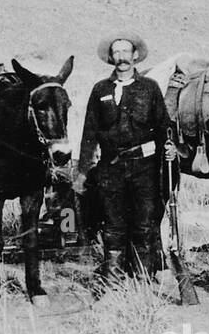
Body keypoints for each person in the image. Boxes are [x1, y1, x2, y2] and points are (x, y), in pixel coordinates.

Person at [75, 34, 178, 287]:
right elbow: (89, 133)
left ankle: (142, 280)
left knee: (145, 224)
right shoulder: (100, 89)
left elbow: (164, 126)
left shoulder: (150, 87)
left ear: (135, 56)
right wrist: (82, 171)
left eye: (125, 51)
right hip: (111, 168)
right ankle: (113, 282)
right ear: (112, 58)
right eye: (116, 52)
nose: (121, 57)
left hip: (145, 168)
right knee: (113, 226)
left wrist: (171, 148)